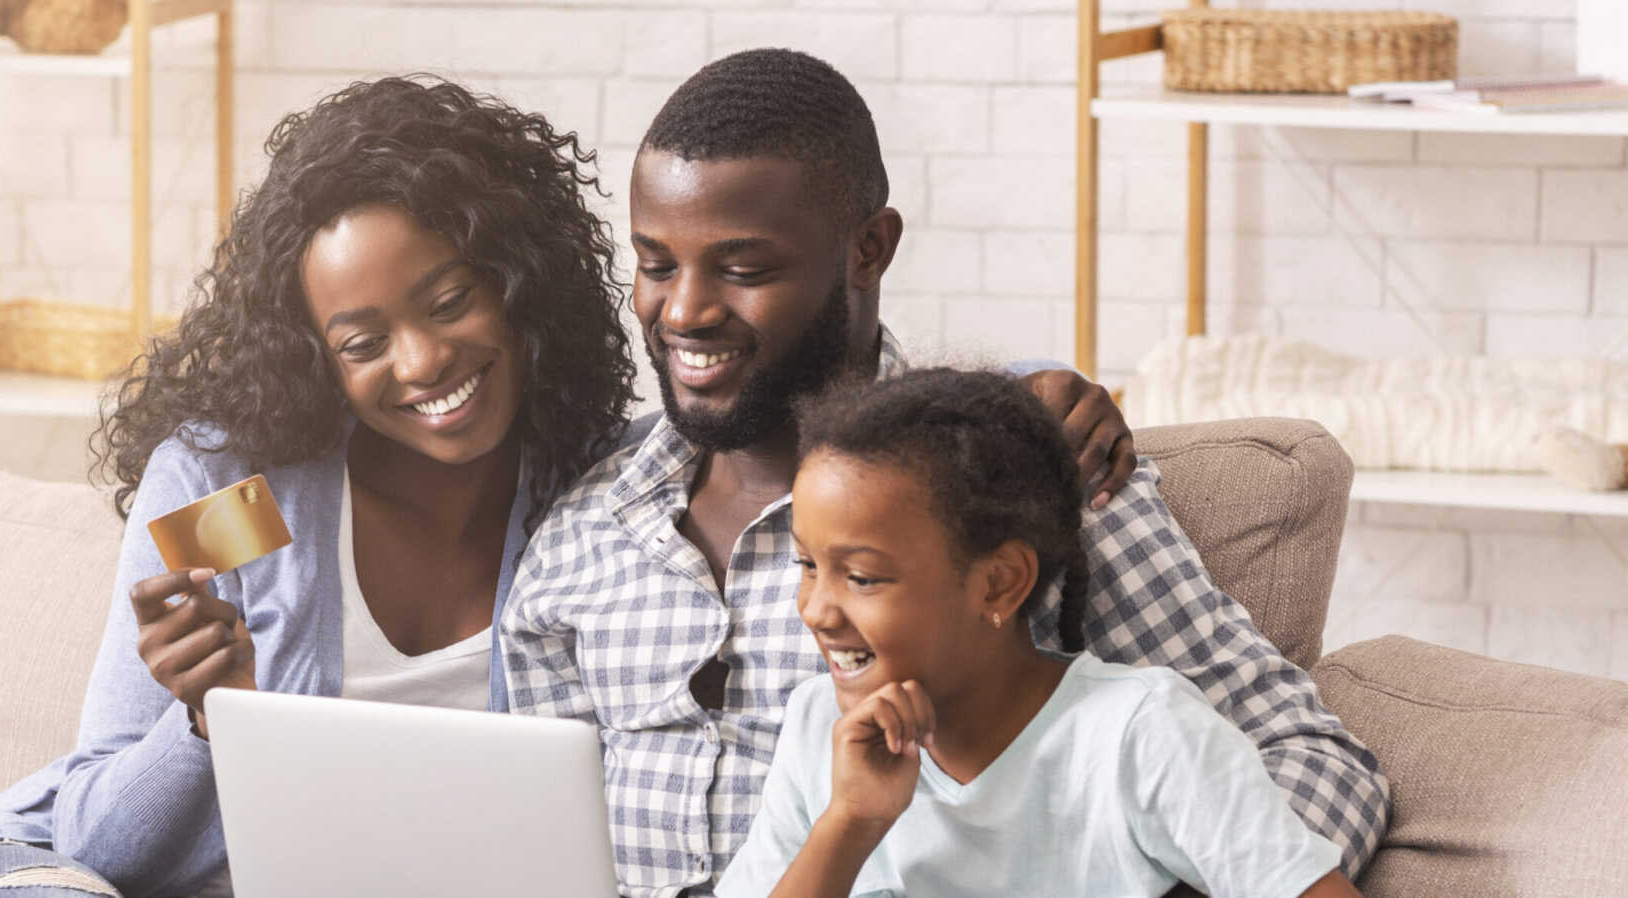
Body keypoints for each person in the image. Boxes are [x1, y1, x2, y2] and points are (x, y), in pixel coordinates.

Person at [499, 48, 1388, 898]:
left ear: (868, 251)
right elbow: (526, 851)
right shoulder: (582, 535)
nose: (683, 310)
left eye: (742, 268)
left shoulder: (1026, 477)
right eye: (655, 264)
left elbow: (1308, 758)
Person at [0, 76, 636, 897]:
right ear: (316, 359)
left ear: (518, 279)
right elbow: (102, 843)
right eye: (363, 343)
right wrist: (210, 720)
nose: (422, 362)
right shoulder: (243, 499)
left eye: (450, 301)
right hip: (43, 873)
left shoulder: (591, 489)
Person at [715, 367, 1363, 898]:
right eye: (807, 566)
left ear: (999, 584)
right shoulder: (815, 728)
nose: (816, 610)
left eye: (861, 578)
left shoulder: (1140, 734)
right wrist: (850, 823)